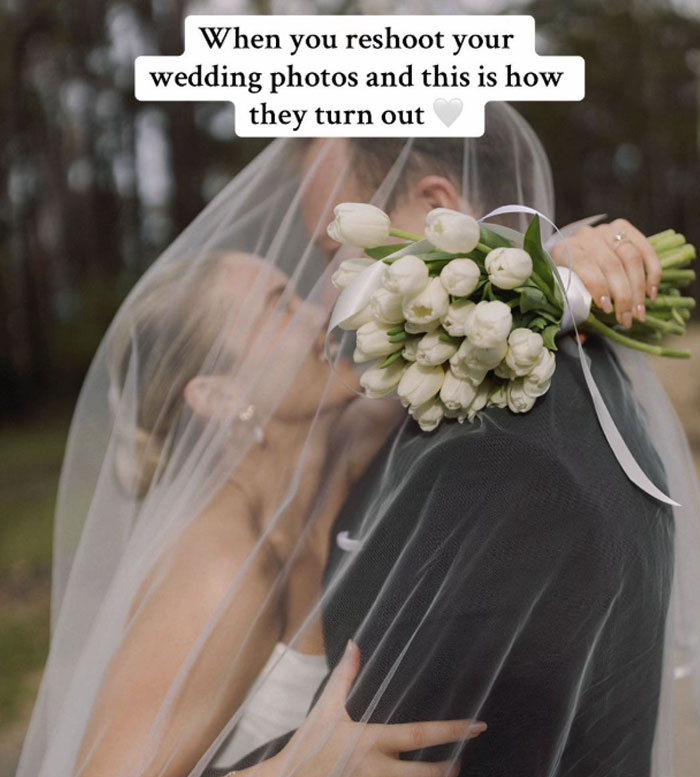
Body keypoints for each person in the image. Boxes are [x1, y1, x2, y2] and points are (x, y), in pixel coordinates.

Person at [16, 104, 700, 777]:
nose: (325, 304)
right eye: (280, 304)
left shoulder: (352, 440)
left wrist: (548, 263)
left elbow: (463, 326)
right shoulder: (216, 566)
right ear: (219, 395)